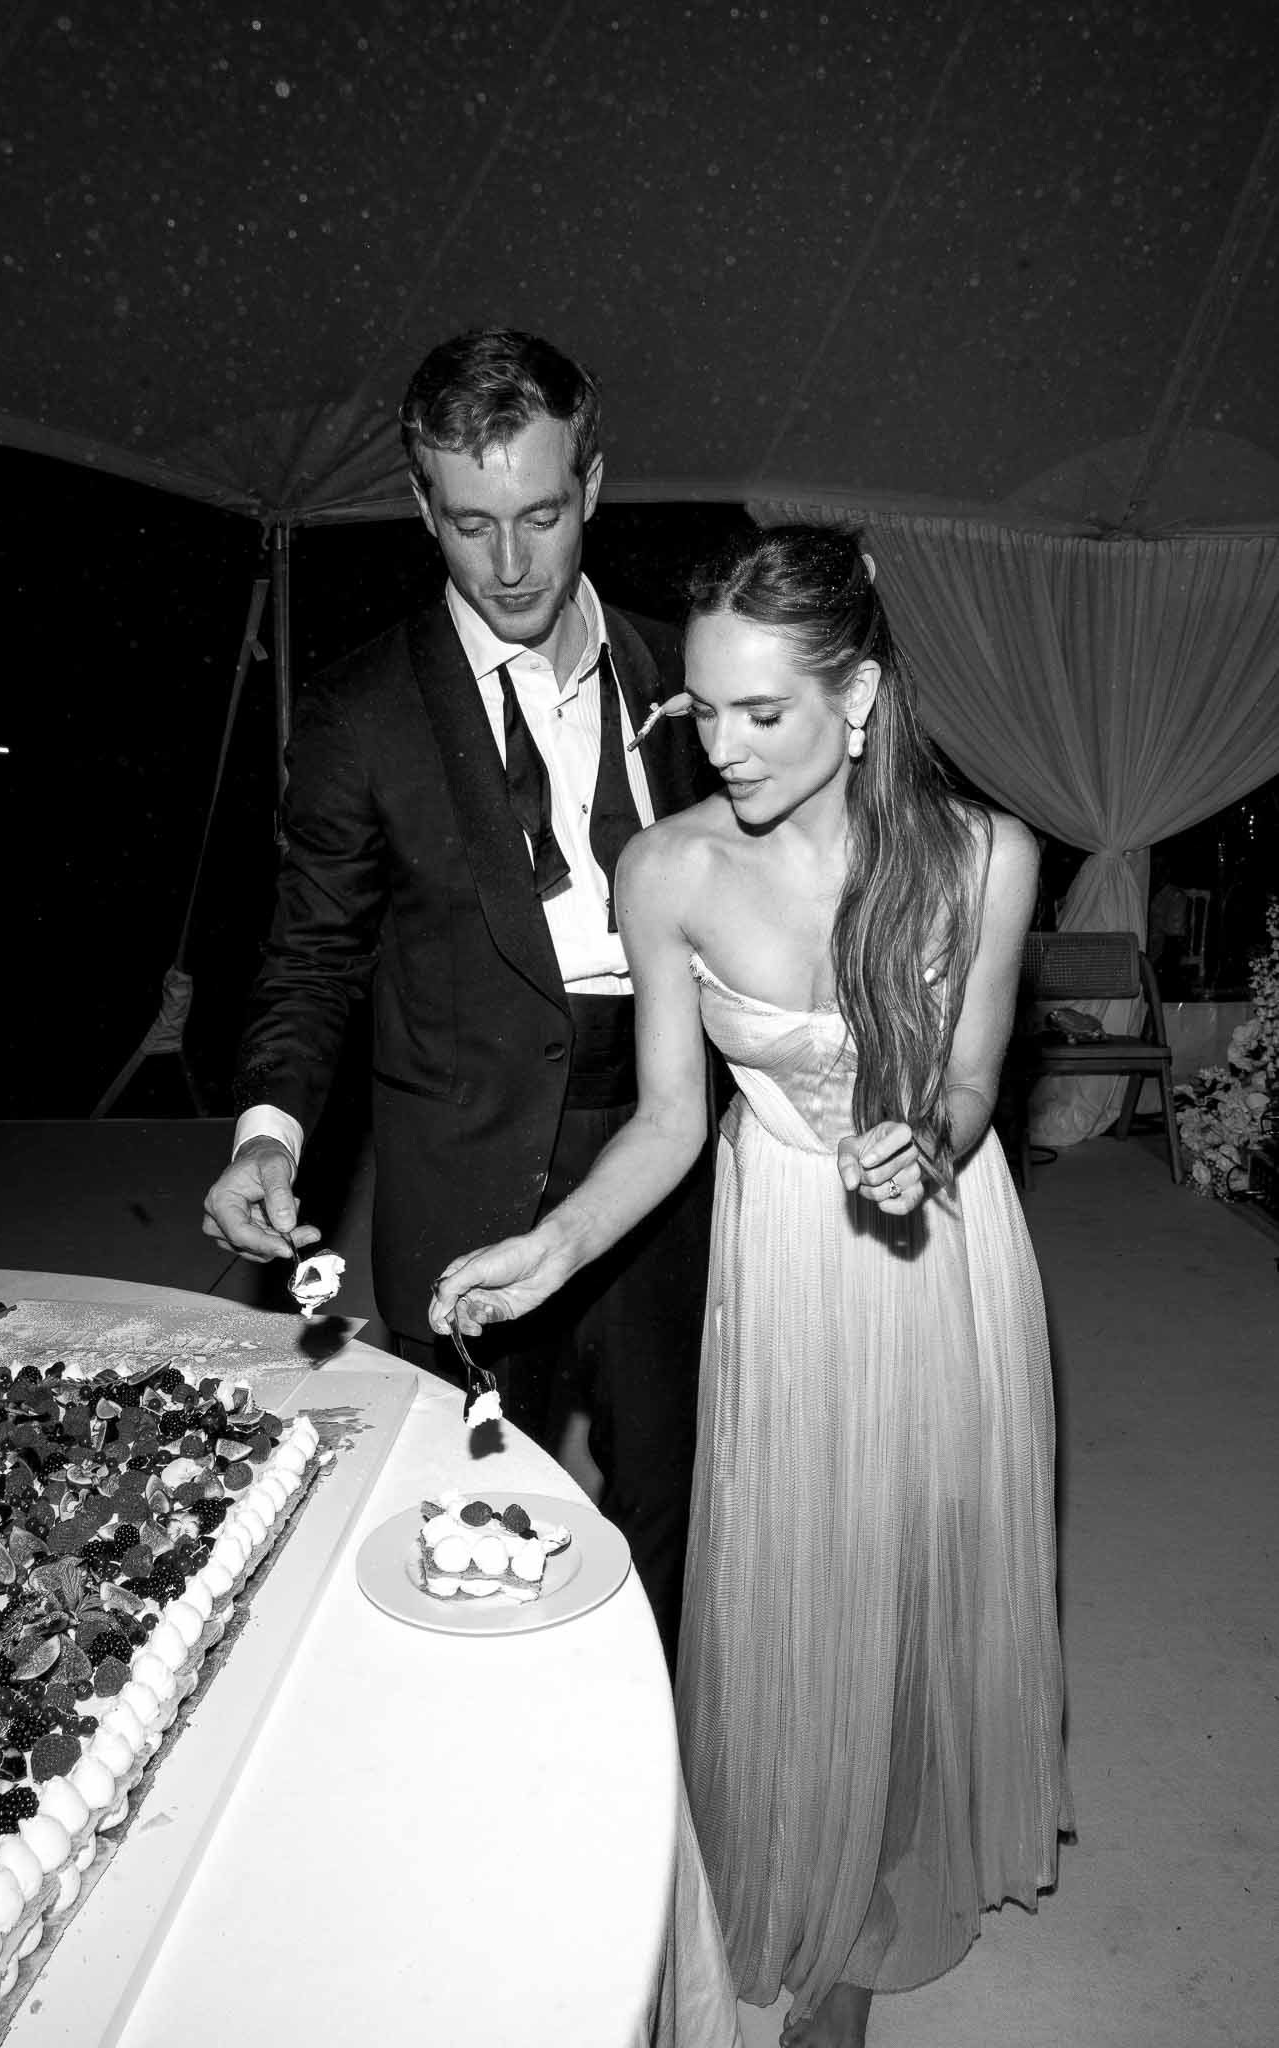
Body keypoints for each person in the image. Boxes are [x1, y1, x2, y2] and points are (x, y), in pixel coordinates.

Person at [430, 527, 1072, 2048]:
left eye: (759, 712)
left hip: (942, 1243)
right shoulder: (668, 870)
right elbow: (666, 1120)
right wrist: (559, 1244)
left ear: (855, 699)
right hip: (781, 1244)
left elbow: (977, 1082)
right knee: (799, 1565)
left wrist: (928, 1138)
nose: (719, 747)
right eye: (699, 710)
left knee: (922, 1556)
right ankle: (807, 1859)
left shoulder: (985, 855)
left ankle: (873, 1875)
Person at [201, 328, 715, 1665]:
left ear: (592, 486)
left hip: (667, 1137)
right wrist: (269, 1129)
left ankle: (634, 1785)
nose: (509, 564)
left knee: (672, 1493)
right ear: (422, 506)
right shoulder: (359, 710)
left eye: (540, 515)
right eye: (471, 522)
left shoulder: (691, 677)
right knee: (480, 1512)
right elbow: (311, 950)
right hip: (463, 1152)